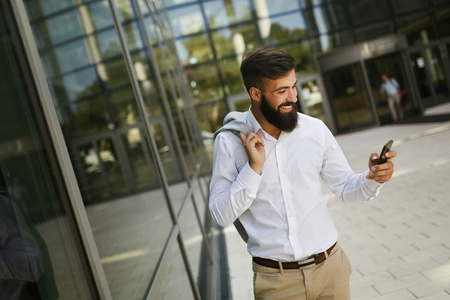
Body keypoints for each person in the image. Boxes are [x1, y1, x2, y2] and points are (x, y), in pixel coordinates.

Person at [209, 47, 396, 300]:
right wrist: (254, 170)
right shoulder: (230, 142)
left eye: (293, 86)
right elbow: (219, 214)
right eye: (282, 91)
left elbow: (346, 188)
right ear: (256, 93)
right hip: (276, 282)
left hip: (331, 270)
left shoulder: (314, 130)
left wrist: (373, 177)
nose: (293, 97)